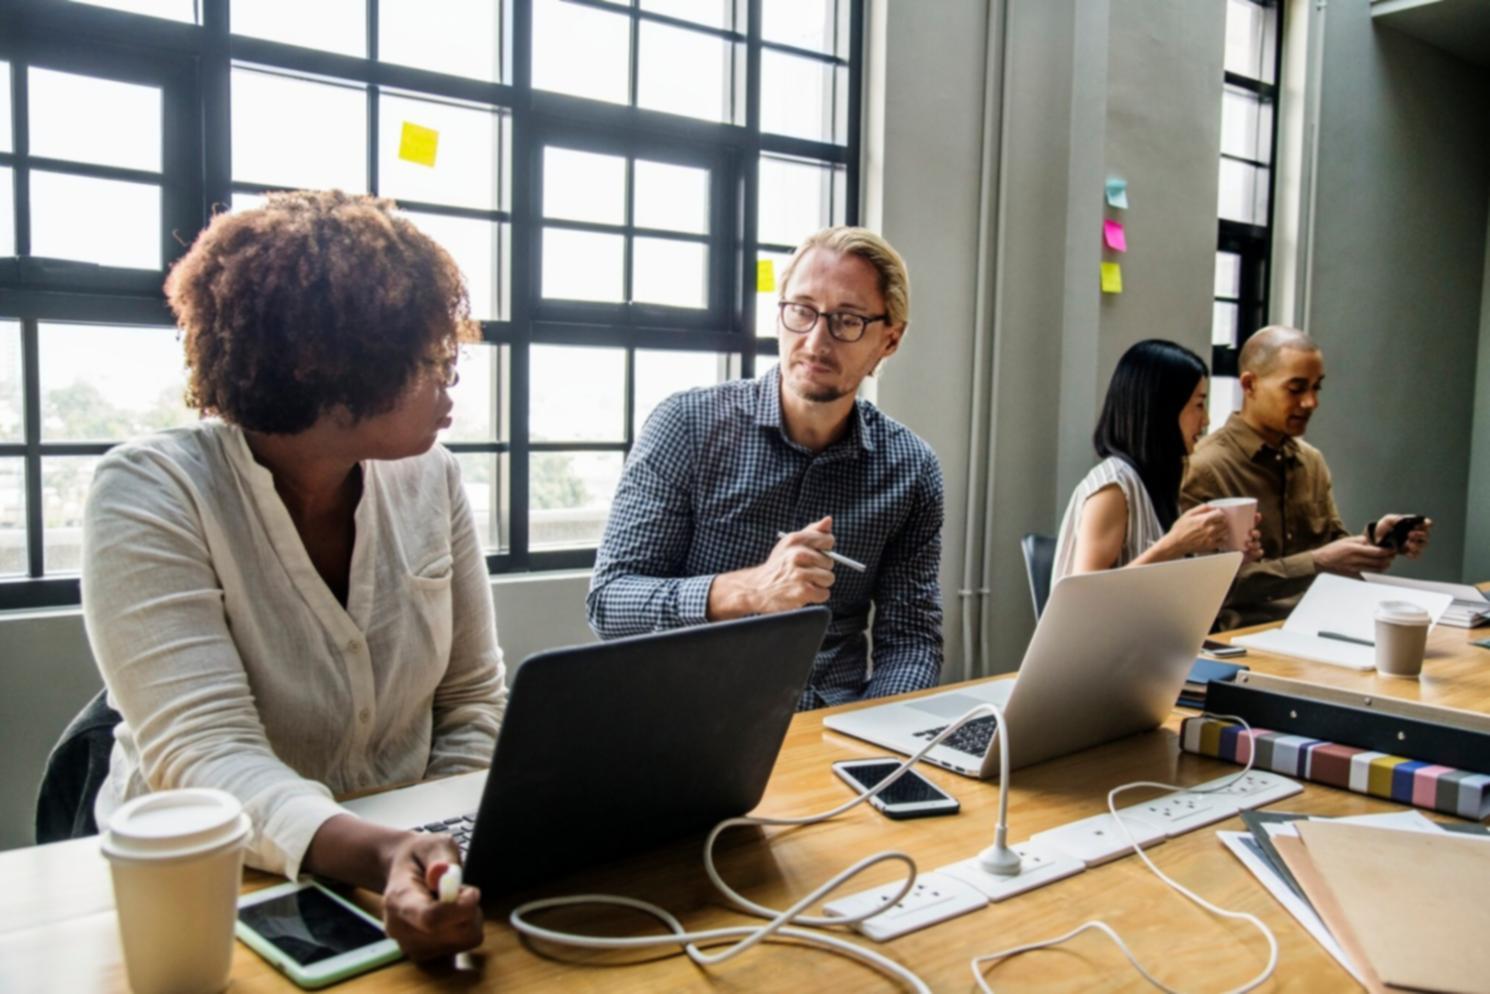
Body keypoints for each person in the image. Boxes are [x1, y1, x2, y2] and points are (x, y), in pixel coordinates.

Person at [82, 191, 504, 959]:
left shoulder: (432, 476)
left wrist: (439, 846)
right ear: (328, 368)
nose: (451, 384)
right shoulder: (150, 491)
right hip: (202, 889)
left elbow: (472, 697)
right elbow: (204, 754)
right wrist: (384, 854)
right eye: (432, 361)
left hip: (408, 866)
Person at [587, 226, 943, 710]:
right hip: (692, 719)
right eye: (802, 310)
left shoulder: (912, 469)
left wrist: (872, 735)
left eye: (848, 320)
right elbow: (610, 603)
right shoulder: (687, 426)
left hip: (831, 723)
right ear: (779, 314)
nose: (815, 341)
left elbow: (912, 640)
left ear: (890, 339)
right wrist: (751, 589)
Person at [1180, 325, 1432, 628]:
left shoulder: (1311, 461)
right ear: (1250, 385)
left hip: (1322, 624)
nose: (1311, 402)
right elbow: (1210, 586)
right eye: (1296, 388)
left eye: (1316, 387)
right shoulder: (1204, 468)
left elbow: (1332, 544)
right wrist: (1316, 562)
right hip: (1245, 636)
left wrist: (1375, 540)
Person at [1053, 339, 1260, 583]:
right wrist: (1174, 545)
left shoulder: (1160, 477)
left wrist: (1231, 559)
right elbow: (1084, 595)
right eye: (1198, 405)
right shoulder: (1113, 489)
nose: (1206, 420)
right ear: (1163, 410)